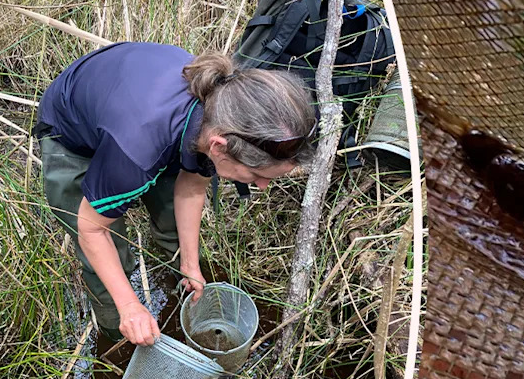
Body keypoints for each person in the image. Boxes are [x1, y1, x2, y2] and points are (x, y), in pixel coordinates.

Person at [34, 42, 316, 346]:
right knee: (108, 250)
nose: (261, 187)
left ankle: (179, 279)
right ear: (220, 147)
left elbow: (192, 187)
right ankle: (118, 336)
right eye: (257, 176)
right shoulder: (137, 151)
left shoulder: (220, 111)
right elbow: (91, 229)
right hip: (71, 131)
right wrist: (130, 306)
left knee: (172, 219)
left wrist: (190, 265)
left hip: (130, 104)